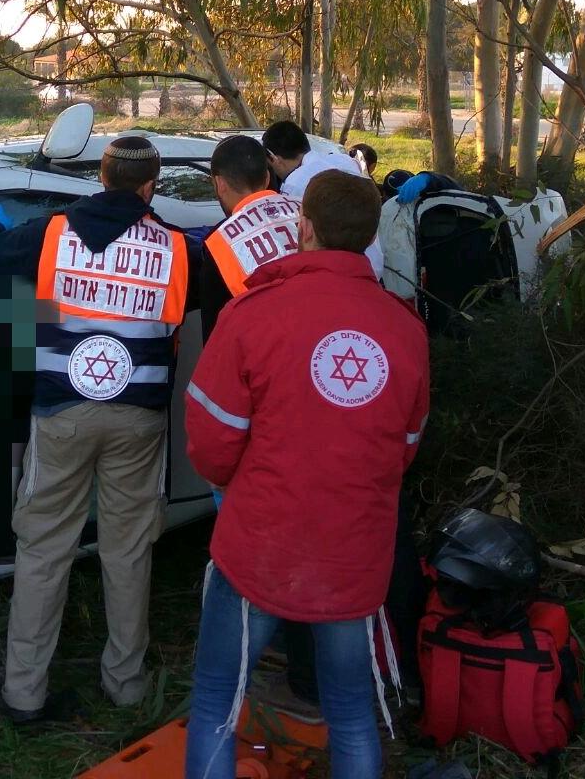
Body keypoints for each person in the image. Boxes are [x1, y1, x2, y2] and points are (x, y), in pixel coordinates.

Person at [182, 170, 430, 779]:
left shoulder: (253, 314)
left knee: (218, 702)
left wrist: (244, 489)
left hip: (260, 543)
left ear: (305, 226)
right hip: (354, 550)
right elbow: (405, 444)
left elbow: (212, 443)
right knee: (349, 711)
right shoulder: (406, 328)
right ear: (370, 233)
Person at [0, 136, 196, 724]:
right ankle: (126, 681)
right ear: (150, 186)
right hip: (139, 417)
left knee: (43, 546)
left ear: (102, 178)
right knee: (129, 546)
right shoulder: (175, 248)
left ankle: (24, 692)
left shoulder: (52, 233)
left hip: (61, 411)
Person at [200, 135, 302, 340]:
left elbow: (217, 337)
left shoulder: (219, 242)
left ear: (219, 184)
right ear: (266, 178)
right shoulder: (309, 210)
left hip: (265, 352)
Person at [261, 120, 384, 279]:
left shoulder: (295, 183)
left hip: (332, 275)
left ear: (273, 158)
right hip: (371, 269)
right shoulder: (344, 160)